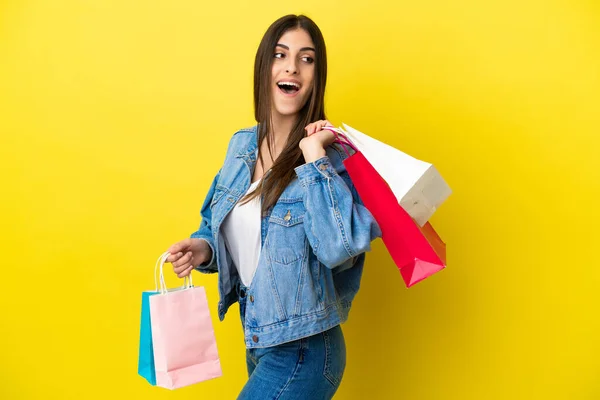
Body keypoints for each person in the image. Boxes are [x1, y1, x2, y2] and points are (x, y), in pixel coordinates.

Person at [165, 14, 381, 400]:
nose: (292, 67)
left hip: (306, 351)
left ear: (316, 76)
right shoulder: (241, 146)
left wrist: (314, 156)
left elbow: (339, 251)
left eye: (307, 58)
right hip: (258, 341)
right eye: (280, 55)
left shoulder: (331, 159)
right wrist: (203, 248)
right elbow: (220, 224)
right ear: (265, 68)